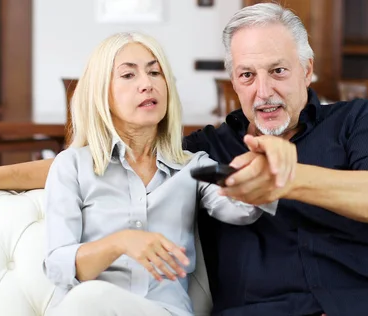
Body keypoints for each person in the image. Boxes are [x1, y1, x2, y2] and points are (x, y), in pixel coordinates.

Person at [0, 3, 368, 316]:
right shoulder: (206, 151)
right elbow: (105, 158)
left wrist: (289, 178)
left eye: (279, 71)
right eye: (248, 75)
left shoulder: (358, 122)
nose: (264, 91)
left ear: (308, 70)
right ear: (233, 81)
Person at [43, 32, 278, 316]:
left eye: (155, 72)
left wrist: (261, 169)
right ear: (101, 93)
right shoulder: (71, 166)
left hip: (165, 311)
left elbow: (242, 209)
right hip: (91, 308)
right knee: (90, 298)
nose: (147, 84)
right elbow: (58, 267)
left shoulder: (195, 166)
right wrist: (121, 242)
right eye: (128, 75)